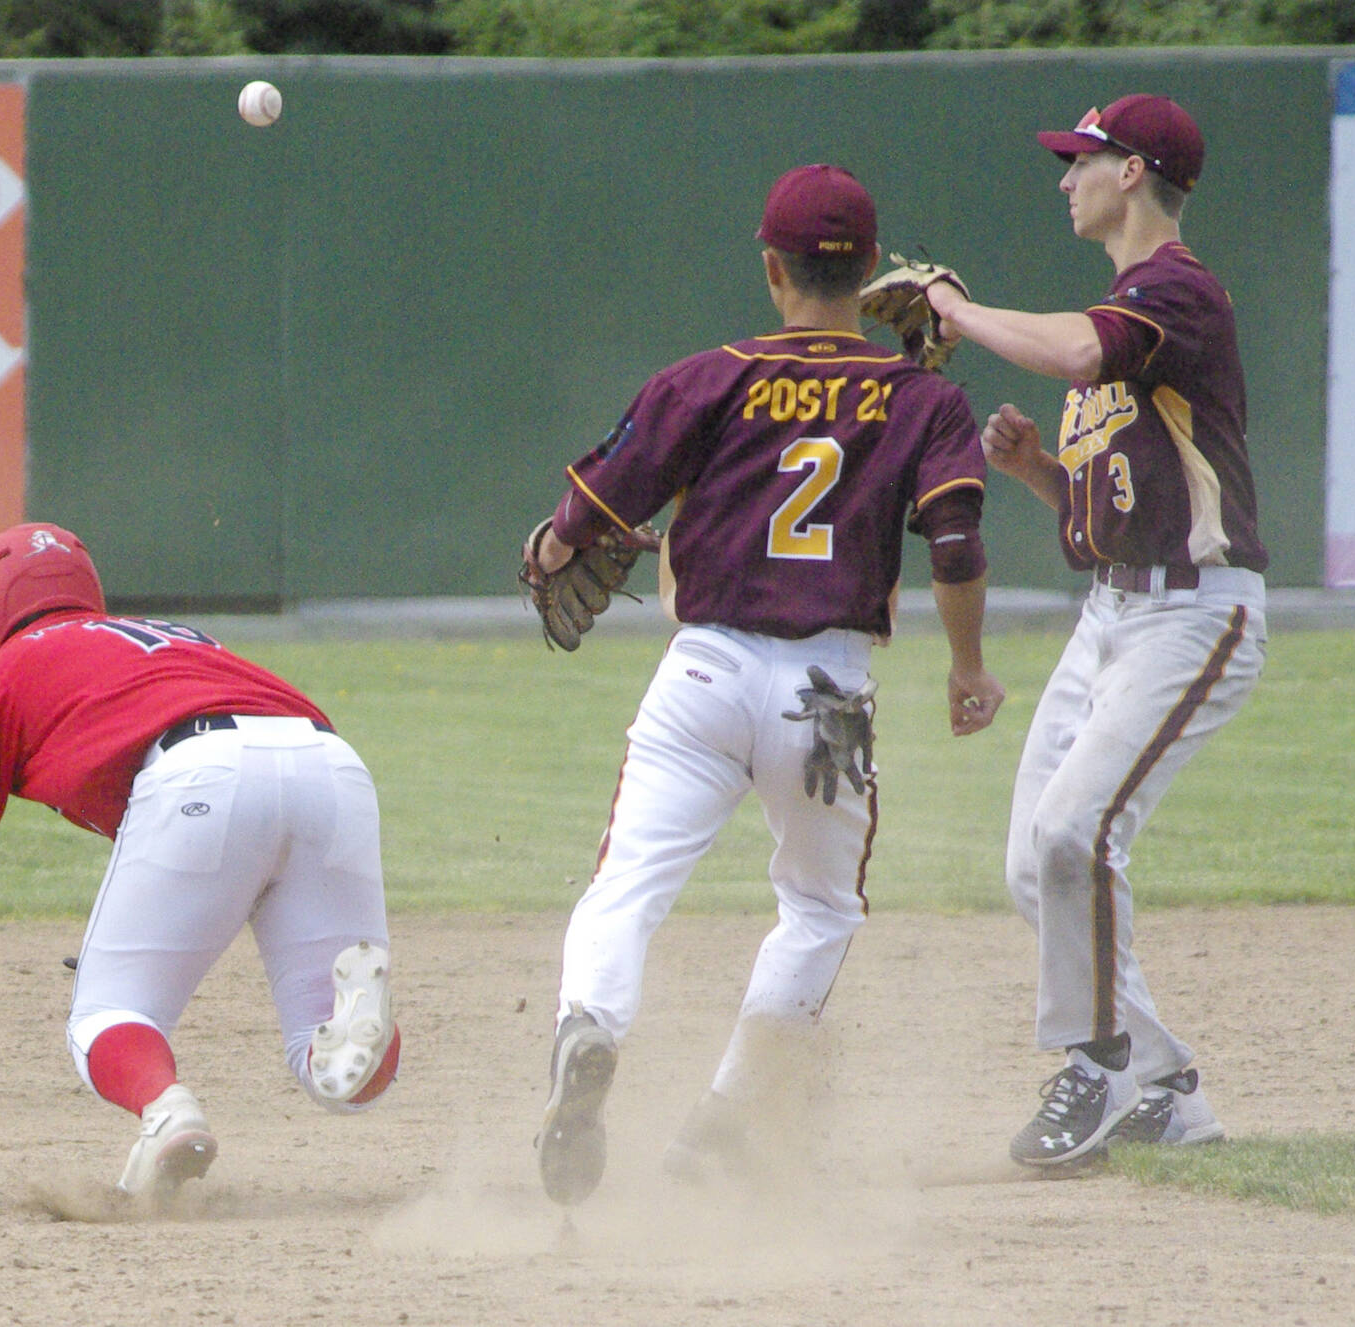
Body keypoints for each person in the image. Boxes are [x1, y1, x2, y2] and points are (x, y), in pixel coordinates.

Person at [528, 164, 1005, 1205]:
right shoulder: (923, 399)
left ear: (768, 265)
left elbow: (589, 515)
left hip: (700, 673)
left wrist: (557, 545)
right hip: (829, 691)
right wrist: (967, 666)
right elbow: (956, 548)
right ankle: (724, 1121)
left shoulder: (705, 378)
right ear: (871, 267)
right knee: (820, 908)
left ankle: (588, 1028)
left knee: (626, 885)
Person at [0, 523, 400, 1203]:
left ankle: (168, 1113)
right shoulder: (174, 635)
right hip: (332, 767)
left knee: (106, 1014)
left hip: (201, 773)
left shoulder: (7, 673)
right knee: (334, 1073)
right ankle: (359, 1013)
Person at [926, 95, 1267, 1165]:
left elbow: (1079, 355)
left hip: (1192, 615)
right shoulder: (1128, 305)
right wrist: (1038, 473)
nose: (1062, 177)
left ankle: (1098, 1064)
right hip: (1111, 608)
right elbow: (1102, 516)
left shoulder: (1175, 292)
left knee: (1078, 833)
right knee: (1036, 864)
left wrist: (955, 310)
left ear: (1131, 173)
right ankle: (1165, 1084)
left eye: (1079, 160)